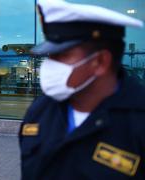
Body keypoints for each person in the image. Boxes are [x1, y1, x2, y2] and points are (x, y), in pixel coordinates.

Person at [19, 0, 145, 179]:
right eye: (50, 56)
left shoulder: (137, 122)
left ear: (100, 62)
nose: (49, 65)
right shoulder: (40, 110)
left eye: (62, 55)